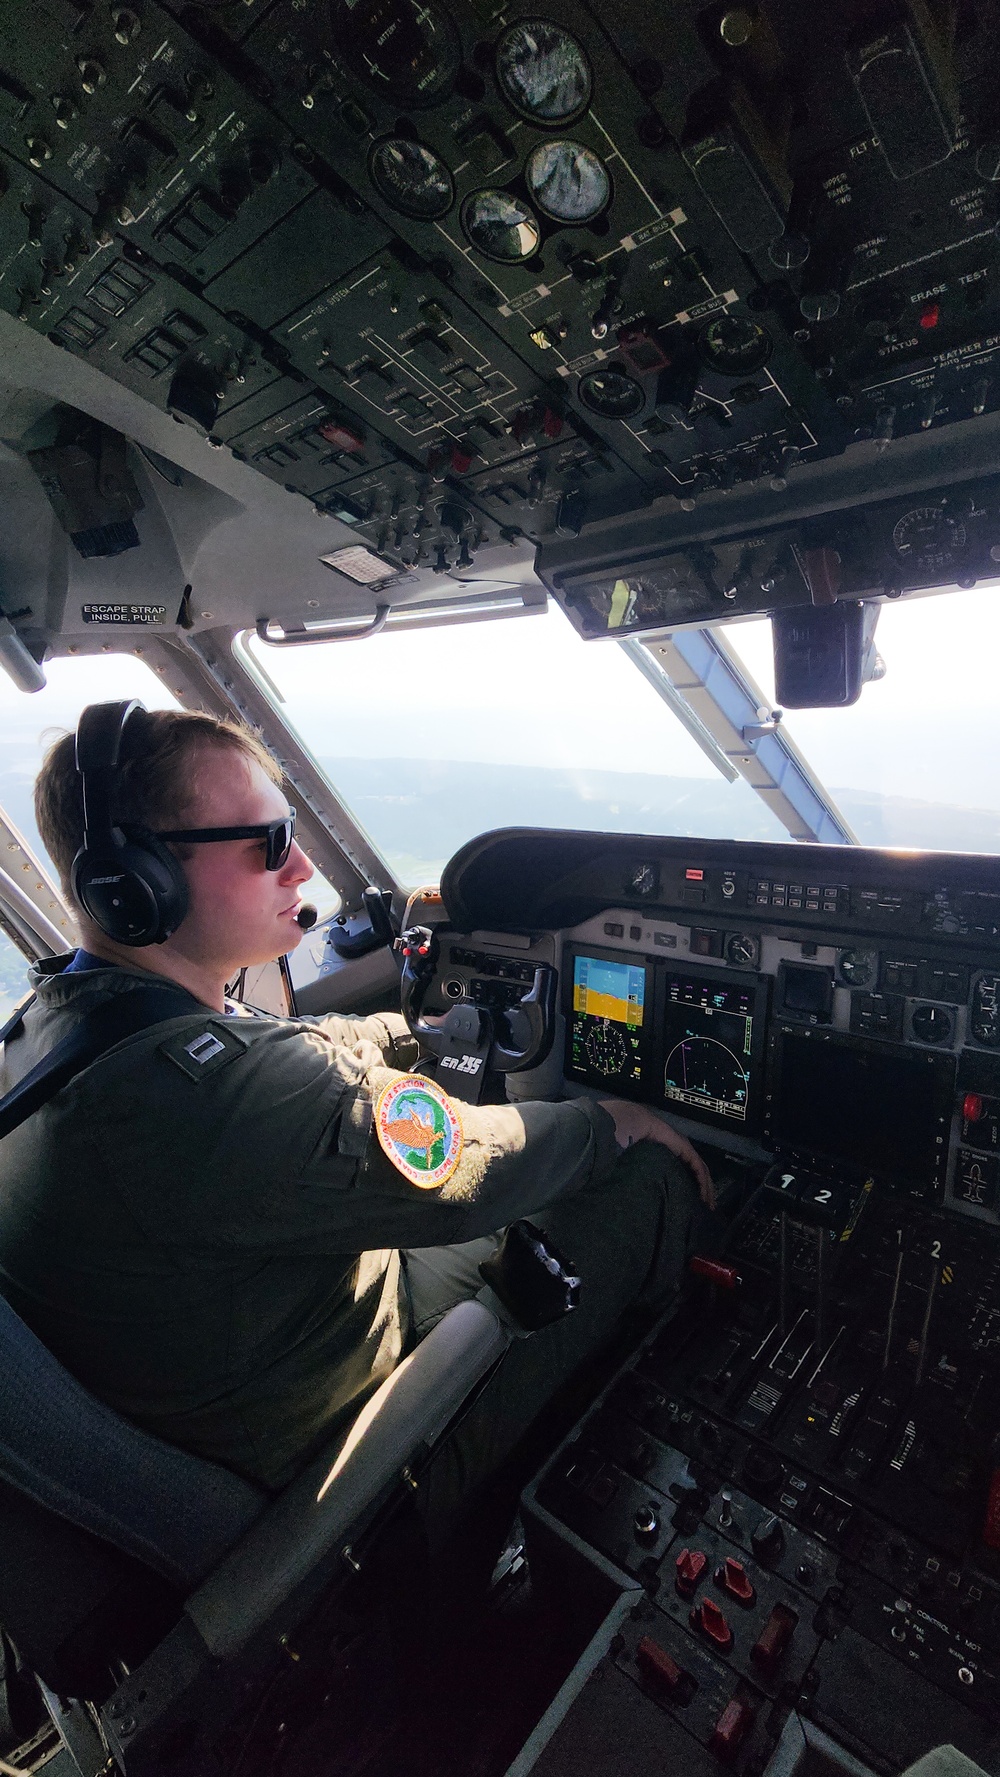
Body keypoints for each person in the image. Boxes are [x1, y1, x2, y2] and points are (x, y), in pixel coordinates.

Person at [0, 703, 714, 1539]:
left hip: (224, 1357)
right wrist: (614, 1120)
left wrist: (405, 1032)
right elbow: (474, 1170)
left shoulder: (50, 1026)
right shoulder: (219, 1099)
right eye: (267, 844)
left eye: (294, 831)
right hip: (349, 1433)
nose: (301, 866)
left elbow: (283, 1048)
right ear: (139, 885)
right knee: (646, 1175)